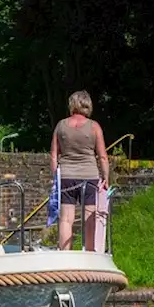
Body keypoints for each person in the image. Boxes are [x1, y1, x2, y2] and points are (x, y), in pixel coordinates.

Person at [50, 90, 109, 251]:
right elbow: (102, 156)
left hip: (67, 177)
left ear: (72, 105)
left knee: (66, 219)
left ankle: (65, 255)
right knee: (89, 218)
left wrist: (56, 177)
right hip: (89, 177)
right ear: (88, 105)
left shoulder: (61, 125)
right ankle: (89, 253)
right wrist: (105, 177)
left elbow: (54, 155)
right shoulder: (94, 126)